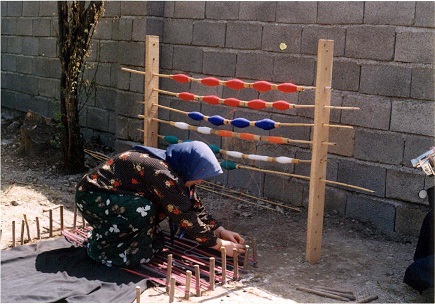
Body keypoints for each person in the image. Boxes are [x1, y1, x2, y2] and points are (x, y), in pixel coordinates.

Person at [75, 140, 245, 267]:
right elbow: (185, 216)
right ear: (190, 166)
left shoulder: (176, 170)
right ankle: (102, 249)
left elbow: (192, 206)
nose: (201, 180)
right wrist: (219, 245)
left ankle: (124, 243)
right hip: (92, 198)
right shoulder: (162, 173)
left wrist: (221, 231)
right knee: (144, 209)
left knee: (149, 217)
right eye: (200, 174)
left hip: (113, 199)